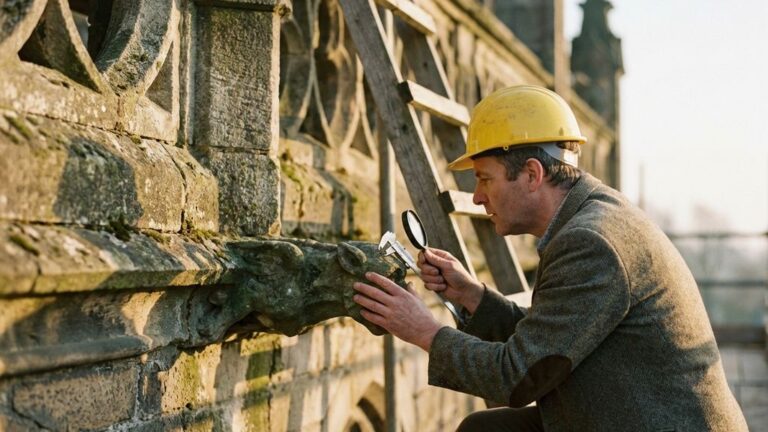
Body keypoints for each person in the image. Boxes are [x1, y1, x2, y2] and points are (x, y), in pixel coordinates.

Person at [352, 85, 747, 431]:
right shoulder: (590, 215)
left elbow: (518, 376)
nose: (476, 197)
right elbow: (552, 340)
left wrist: (423, 330)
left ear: (531, 174)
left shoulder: (592, 243)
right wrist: (474, 297)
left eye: (484, 178)